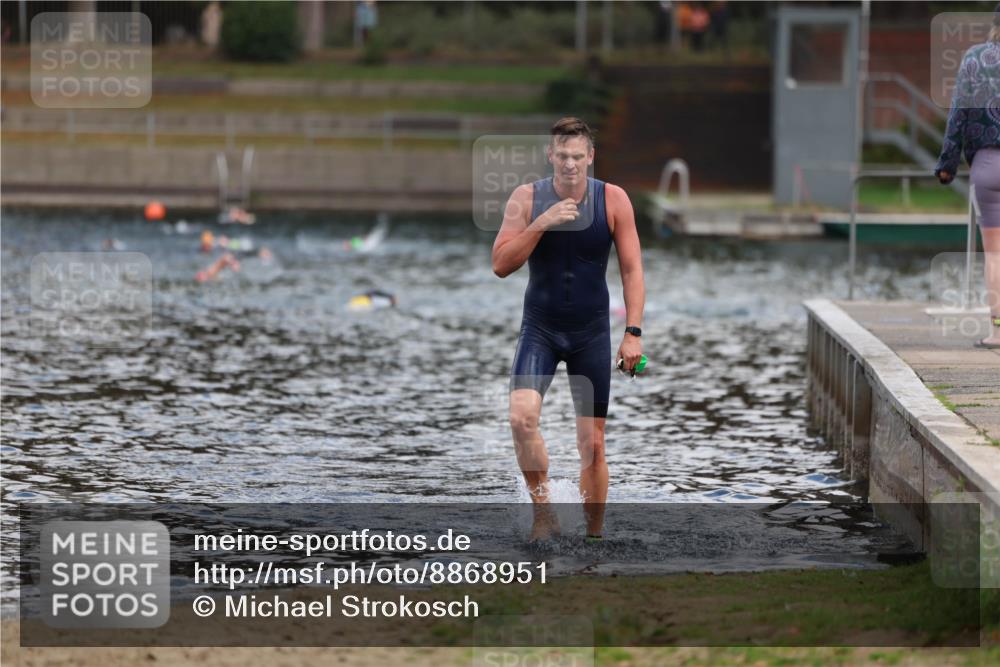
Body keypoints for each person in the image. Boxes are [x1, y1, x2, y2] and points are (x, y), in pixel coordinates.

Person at [492, 117, 645, 540]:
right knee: (521, 419)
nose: (571, 164)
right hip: (540, 329)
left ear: (591, 157)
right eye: (563, 156)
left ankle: (594, 540)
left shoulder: (613, 200)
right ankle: (544, 514)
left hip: (591, 333)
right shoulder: (526, 198)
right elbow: (501, 264)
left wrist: (633, 332)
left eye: (579, 156)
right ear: (550, 155)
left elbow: (632, 270)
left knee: (592, 446)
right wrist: (542, 222)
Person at [936, 5, 1000, 349]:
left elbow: (958, 114)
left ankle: (998, 331)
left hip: (987, 166)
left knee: (994, 255)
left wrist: (947, 162)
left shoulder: (974, 59)